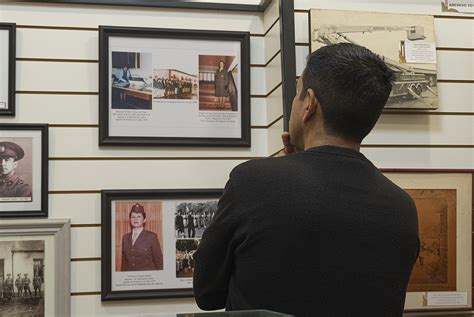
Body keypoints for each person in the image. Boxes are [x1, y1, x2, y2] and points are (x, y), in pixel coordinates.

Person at [193, 43, 420, 317]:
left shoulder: (252, 182)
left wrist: (285, 168)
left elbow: (207, 293)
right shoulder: (402, 207)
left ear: (309, 103)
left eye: (297, 92)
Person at [121, 203, 163, 271]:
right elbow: (124, 264)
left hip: (147, 278)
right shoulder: (125, 238)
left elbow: (159, 263)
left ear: (144, 220)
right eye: (133, 217)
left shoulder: (152, 237)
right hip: (130, 279)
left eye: (139, 216)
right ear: (130, 220)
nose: (135, 219)